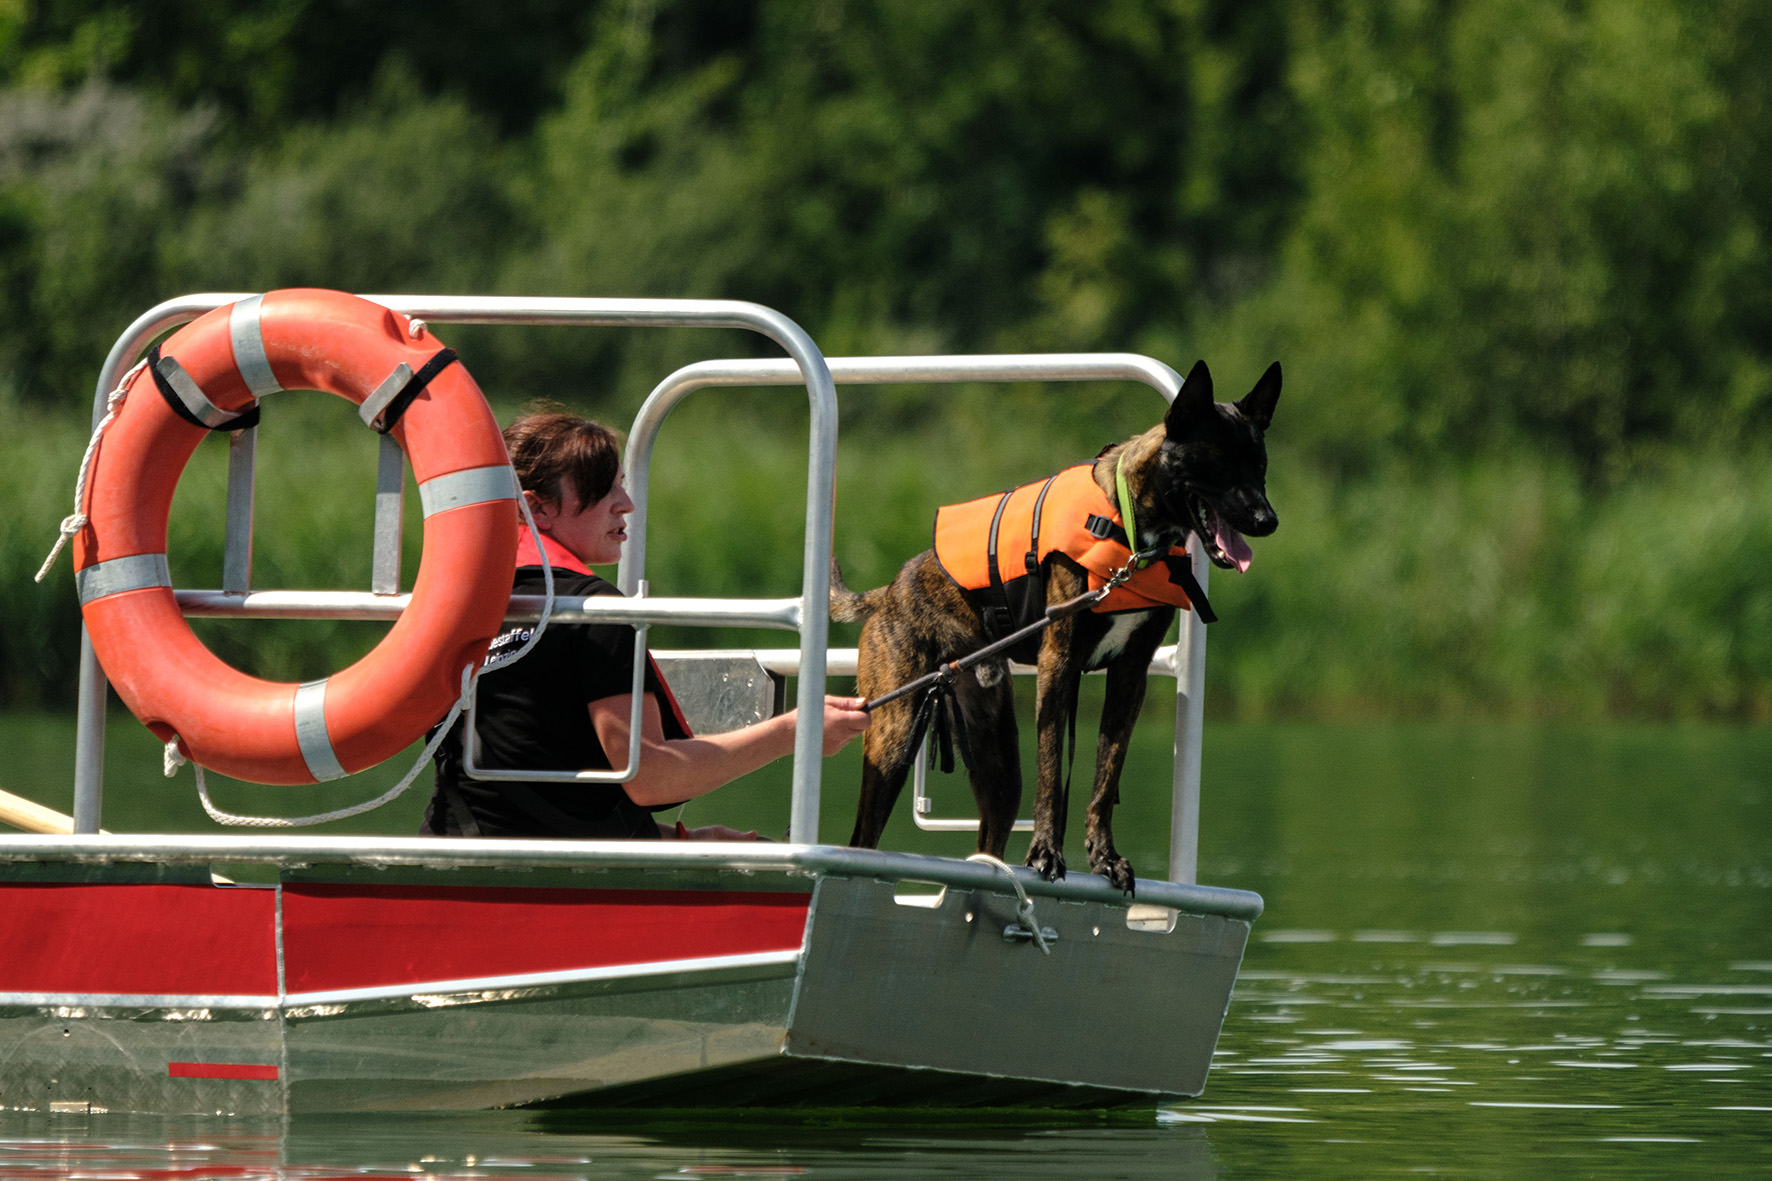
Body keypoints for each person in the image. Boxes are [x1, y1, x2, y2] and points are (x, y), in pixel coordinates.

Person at [422, 409, 870, 839]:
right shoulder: (594, 612)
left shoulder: (459, 608)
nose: (627, 504)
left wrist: (681, 840)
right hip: (554, 877)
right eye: (603, 488)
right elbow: (650, 776)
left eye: (620, 483)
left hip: (451, 853)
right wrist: (794, 732)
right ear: (537, 509)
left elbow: (526, 800)